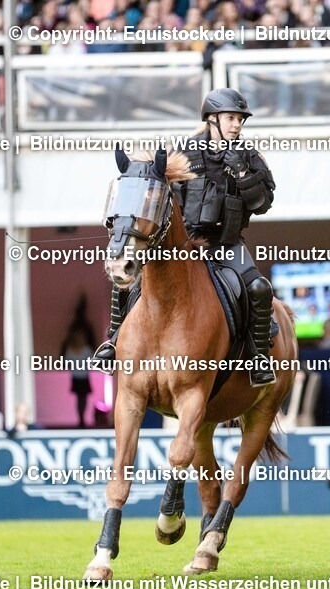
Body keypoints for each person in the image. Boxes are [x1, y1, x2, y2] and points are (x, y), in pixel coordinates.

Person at [92, 87, 278, 387]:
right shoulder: (184, 152)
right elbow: (157, 189)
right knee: (129, 277)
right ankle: (113, 342)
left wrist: (243, 173)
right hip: (184, 242)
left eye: (240, 119)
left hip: (225, 243)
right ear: (212, 119)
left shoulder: (250, 157)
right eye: (230, 118)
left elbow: (262, 204)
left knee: (258, 288)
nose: (236, 125)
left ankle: (258, 358)